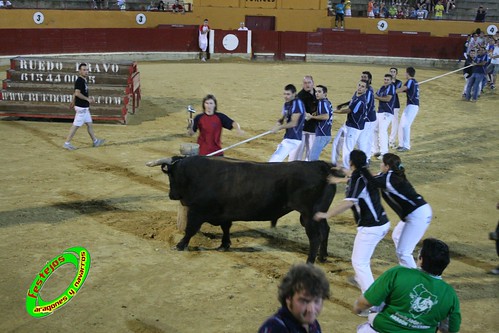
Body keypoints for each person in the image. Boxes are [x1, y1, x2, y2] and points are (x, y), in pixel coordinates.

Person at [315, 149, 390, 294]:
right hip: (382, 222)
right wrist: (341, 172)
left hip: (371, 227)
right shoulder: (365, 174)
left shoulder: (358, 179)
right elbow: (353, 176)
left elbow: (348, 203)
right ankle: (360, 279)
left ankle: (372, 302)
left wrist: (326, 214)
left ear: (351, 162)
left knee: (359, 263)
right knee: (363, 259)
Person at [354, 238, 461, 333]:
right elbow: (450, 329)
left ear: (421, 259)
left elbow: (365, 302)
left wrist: (358, 308)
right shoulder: (450, 295)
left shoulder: (398, 273)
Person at [360, 153, 432, 267]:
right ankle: (406, 267)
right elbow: (374, 176)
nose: (380, 165)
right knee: (397, 236)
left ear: (387, 166)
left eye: (382, 163)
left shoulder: (388, 179)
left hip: (417, 215)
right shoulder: (392, 174)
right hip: (418, 211)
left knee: (403, 252)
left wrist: (359, 169)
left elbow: (370, 180)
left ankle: (414, 279)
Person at [258, 263, 330, 333]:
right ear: (288, 298)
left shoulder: (313, 325)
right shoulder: (275, 329)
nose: (311, 309)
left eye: (316, 301)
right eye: (304, 301)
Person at [63, 63, 105, 151]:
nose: (86, 72)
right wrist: (88, 99)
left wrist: (73, 101)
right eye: (84, 70)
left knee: (89, 124)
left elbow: (75, 93)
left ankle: (95, 141)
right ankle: (67, 143)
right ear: (80, 71)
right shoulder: (79, 81)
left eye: (87, 70)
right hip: (81, 108)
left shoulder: (83, 80)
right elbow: (77, 93)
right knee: (75, 126)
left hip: (84, 107)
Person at [334, 80, 368, 170]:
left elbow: (349, 110)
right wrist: (342, 104)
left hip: (354, 127)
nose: (360, 87)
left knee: (347, 147)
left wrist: (334, 111)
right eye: (359, 85)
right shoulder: (356, 94)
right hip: (349, 124)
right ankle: (335, 162)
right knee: (337, 142)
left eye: (363, 86)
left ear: (366, 89)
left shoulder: (361, 100)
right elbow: (352, 101)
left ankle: (346, 168)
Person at [269, 84, 306, 162]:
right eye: (284, 94)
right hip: (289, 137)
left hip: (293, 139)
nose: (286, 96)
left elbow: (293, 123)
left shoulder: (297, 103)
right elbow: (282, 118)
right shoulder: (286, 104)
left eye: (288, 94)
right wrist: (277, 124)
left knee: (274, 161)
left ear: (294, 94)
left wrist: (279, 128)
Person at [293, 75, 317, 161]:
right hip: (302, 128)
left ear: (313, 83)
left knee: (311, 150)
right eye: (305, 83)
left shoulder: (317, 93)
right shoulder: (300, 96)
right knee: (298, 151)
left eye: (309, 82)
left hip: (313, 128)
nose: (307, 85)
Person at [396, 67, 419, 152]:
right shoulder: (414, 82)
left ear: (408, 73)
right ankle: (401, 144)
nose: (405, 74)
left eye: (405, 73)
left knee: (405, 125)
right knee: (402, 124)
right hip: (411, 105)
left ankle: (406, 146)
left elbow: (404, 88)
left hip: (412, 106)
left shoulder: (410, 81)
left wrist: (392, 91)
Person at [307, 85, 333, 161]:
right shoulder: (327, 102)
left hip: (322, 135)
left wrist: (312, 117)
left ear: (325, 94)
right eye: (316, 91)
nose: (316, 94)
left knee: (312, 159)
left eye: (319, 92)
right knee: (313, 157)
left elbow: (326, 116)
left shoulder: (322, 103)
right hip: (326, 135)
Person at [373, 74, 395, 159]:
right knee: (374, 129)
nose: (385, 81)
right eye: (385, 79)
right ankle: (376, 150)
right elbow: (375, 95)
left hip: (387, 112)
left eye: (387, 80)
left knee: (382, 131)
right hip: (380, 112)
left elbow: (388, 99)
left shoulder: (391, 87)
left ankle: (384, 153)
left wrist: (377, 97)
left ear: (391, 80)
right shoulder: (382, 87)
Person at [389, 67, 403, 149]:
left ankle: (392, 141)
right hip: (387, 105)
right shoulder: (387, 81)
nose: (392, 73)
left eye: (394, 72)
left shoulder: (398, 82)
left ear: (396, 73)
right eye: (391, 71)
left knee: (394, 124)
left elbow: (395, 90)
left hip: (395, 105)